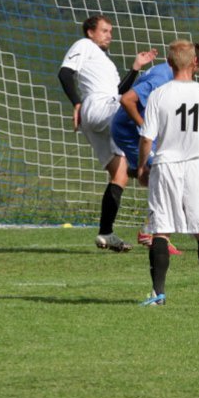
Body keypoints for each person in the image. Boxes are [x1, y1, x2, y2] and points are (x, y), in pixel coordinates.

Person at [137, 40, 199, 306]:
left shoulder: (159, 94)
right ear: (195, 62)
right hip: (197, 168)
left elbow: (146, 138)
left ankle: (158, 294)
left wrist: (142, 166)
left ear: (169, 62)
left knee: (161, 229)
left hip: (165, 166)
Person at [57, 14, 157, 252]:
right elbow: (64, 73)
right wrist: (76, 103)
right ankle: (151, 167)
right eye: (104, 31)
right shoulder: (84, 45)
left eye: (110, 31)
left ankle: (106, 233)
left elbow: (118, 92)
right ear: (90, 32)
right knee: (145, 112)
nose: (109, 35)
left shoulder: (105, 62)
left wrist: (135, 68)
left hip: (102, 112)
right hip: (98, 107)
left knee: (120, 175)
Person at [111, 43, 199, 254]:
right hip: (128, 131)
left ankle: (153, 230)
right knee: (165, 177)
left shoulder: (170, 75)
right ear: (194, 63)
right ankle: (151, 232)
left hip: (141, 132)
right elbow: (126, 100)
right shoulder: (162, 78)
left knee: (163, 177)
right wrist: (144, 126)